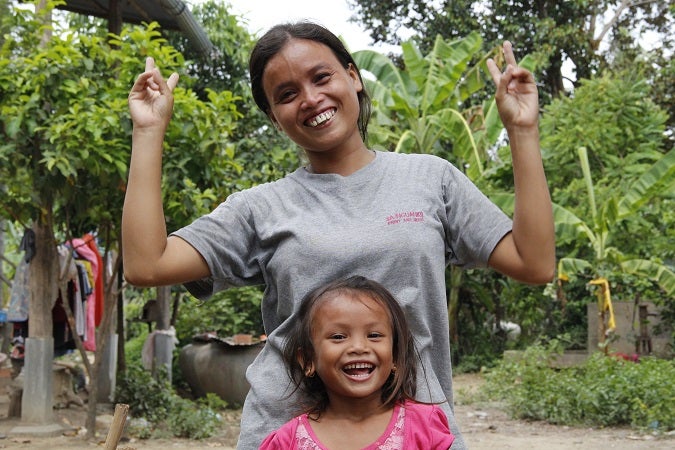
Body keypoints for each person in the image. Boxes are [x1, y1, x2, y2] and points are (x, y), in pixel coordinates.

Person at [123, 21, 555, 450]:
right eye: (287, 95)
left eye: (321, 77)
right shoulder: (259, 208)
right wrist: (147, 132)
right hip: (285, 433)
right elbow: (147, 264)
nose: (311, 100)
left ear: (353, 77)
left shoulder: (431, 180)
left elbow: (534, 263)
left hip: (418, 436)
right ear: (274, 117)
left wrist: (522, 131)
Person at [259, 275, 455, 449]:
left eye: (374, 335)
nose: (359, 347)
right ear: (308, 360)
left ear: (395, 355)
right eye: (338, 337)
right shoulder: (288, 442)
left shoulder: (424, 427)